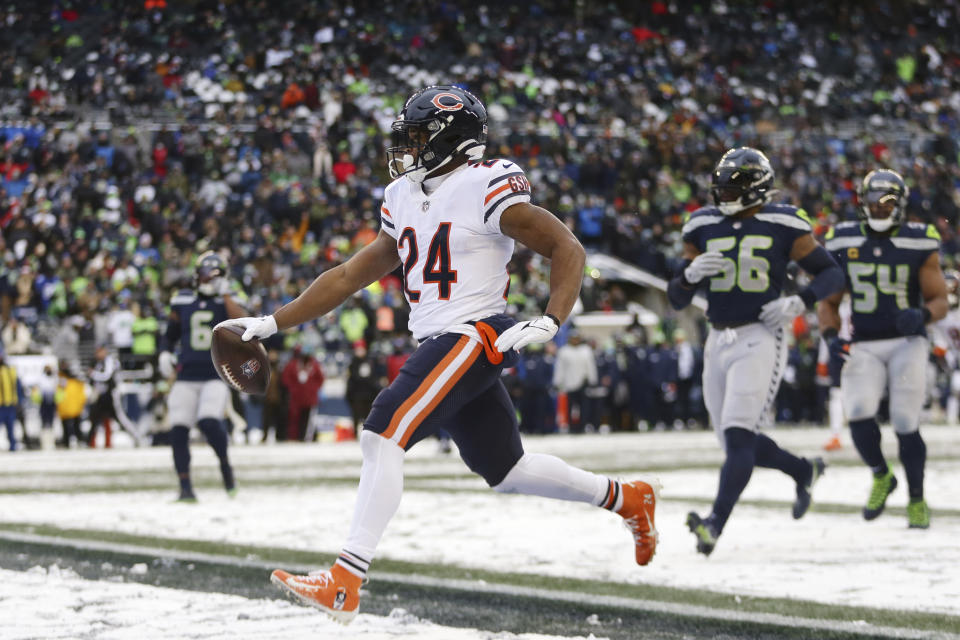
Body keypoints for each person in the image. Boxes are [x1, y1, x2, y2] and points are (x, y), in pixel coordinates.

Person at [225, 85, 660, 623]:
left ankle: (345, 579)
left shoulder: (485, 183)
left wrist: (552, 318)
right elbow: (345, 277)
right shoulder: (403, 196)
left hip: (474, 333)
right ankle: (626, 497)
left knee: (383, 429)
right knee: (507, 468)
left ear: (449, 136)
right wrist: (271, 321)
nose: (406, 145)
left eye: (416, 134)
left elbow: (565, 246)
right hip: (440, 341)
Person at [667, 147, 842, 556]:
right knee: (735, 443)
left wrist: (801, 300)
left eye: (735, 183)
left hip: (761, 335)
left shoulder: (782, 222)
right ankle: (804, 469)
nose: (725, 190)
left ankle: (714, 524)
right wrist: (689, 276)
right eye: (722, 181)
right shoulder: (702, 223)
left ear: (757, 186)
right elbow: (676, 298)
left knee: (739, 434)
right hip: (717, 339)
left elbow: (832, 271)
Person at [819, 169, 947, 529]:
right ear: (862, 203)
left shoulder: (918, 240)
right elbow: (828, 300)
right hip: (865, 341)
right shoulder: (843, 239)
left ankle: (917, 500)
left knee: (906, 421)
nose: (878, 208)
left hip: (908, 341)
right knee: (858, 412)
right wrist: (830, 336)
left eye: (886, 202)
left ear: (901, 204)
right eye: (873, 202)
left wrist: (921, 313)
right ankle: (881, 474)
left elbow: (940, 300)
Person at [160, 251, 246, 501]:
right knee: (177, 430)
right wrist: (164, 352)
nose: (209, 278)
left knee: (209, 422)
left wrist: (225, 293)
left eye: (215, 274)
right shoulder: (183, 298)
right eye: (205, 273)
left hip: (215, 373)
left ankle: (225, 466)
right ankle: (185, 487)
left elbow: (242, 324)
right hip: (186, 374)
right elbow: (171, 333)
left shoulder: (230, 298)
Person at [86, 345, 140, 447]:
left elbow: (107, 376)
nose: (98, 354)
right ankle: (90, 442)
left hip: (111, 395)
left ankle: (136, 436)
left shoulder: (109, 361)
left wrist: (93, 374)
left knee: (120, 418)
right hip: (100, 396)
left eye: (100, 351)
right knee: (94, 419)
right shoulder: (96, 362)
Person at [281, 345, 325, 441]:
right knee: (294, 419)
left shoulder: (314, 365)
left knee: (308, 420)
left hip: (310, 398)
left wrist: (313, 388)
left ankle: (307, 438)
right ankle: (294, 438)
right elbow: (286, 379)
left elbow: (321, 379)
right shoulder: (292, 364)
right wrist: (293, 389)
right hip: (296, 398)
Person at [0, 347, 24, 451]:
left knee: (11, 428)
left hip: (9, 404)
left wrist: (19, 400)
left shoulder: (11, 370)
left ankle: (13, 447)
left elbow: (17, 386)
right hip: (0, 405)